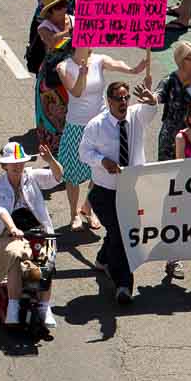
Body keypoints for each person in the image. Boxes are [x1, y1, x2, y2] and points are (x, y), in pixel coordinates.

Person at [79, 68, 158, 304]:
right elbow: (84, 152)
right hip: (104, 191)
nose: (124, 103)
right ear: (109, 101)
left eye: (126, 98)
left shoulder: (135, 116)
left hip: (131, 189)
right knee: (121, 234)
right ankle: (123, 285)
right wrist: (102, 162)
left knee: (118, 232)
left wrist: (151, 100)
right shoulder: (96, 125)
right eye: (119, 99)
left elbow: (150, 111)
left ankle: (103, 259)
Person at [0, 141, 62, 329]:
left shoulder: (32, 176)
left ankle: (44, 307)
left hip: (34, 228)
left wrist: (51, 160)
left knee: (47, 257)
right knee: (16, 256)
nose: (18, 166)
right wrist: (12, 228)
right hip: (6, 233)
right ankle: (13, 306)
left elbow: (57, 177)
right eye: (13, 163)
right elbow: (1, 209)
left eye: (21, 162)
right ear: (4, 165)